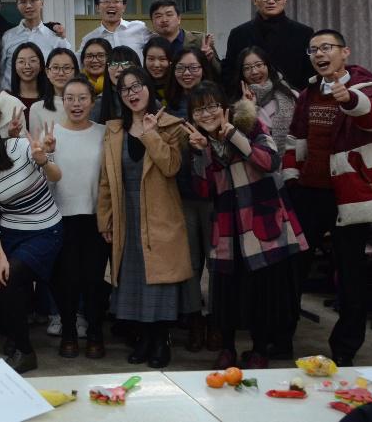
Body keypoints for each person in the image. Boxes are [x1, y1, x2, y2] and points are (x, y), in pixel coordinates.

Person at [284, 29, 372, 366]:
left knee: (350, 275)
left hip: (348, 195)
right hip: (308, 193)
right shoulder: (308, 93)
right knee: (292, 269)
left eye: (326, 47)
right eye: (313, 50)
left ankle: (345, 348)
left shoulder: (366, 86)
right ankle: (281, 337)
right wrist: (291, 178)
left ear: (344, 52)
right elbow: (294, 137)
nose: (319, 54)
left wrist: (349, 99)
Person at [184, 82, 306, 370]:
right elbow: (204, 190)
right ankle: (227, 348)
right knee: (226, 290)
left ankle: (260, 349)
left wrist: (233, 135)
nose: (206, 114)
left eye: (211, 106)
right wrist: (201, 153)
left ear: (224, 107)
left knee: (262, 291)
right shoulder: (200, 142)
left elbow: (270, 161)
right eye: (199, 110)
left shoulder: (249, 124)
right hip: (228, 224)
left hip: (261, 219)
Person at [96, 67, 190, 370]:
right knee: (133, 278)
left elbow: (171, 166)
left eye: (137, 86)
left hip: (161, 214)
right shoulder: (114, 130)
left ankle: (161, 340)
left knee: (158, 280)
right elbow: (107, 179)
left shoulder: (170, 125)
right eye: (125, 89)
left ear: (149, 87)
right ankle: (143, 339)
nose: (132, 93)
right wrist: (105, 218)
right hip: (128, 213)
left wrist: (151, 135)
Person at [0, 103, 62, 374]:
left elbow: (56, 176)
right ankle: (16, 340)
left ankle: (25, 353)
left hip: (45, 230)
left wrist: (43, 160)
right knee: (3, 278)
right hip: (11, 234)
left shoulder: (20, 146)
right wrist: (0, 256)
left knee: (10, 277)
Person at [47, 78, 108, 359]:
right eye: (70, 98)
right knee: (66, 280)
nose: (76, 104)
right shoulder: (52, 134)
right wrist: (46, 153)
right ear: (62, 102)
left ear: (92, 102)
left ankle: (95, 333)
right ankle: (69, 332)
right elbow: (45, 179)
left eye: (82, 98)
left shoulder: (103, 133)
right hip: (62, 218)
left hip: (95, 218)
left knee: (94, 280)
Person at [164, 47, 216, 351]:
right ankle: (194, 318)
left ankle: (217, 320)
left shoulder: (216, 102)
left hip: (214, 196)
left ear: (203, 69)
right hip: (181, 195)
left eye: (193, 67)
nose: (187, 73)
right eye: (181, 68)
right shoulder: (167, 108)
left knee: (217, 260)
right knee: (191, 262)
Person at [221, 0, 315, 88]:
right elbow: (230, 73)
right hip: (250, 96)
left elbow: (310, 73)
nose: (271, 1)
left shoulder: (304, 33)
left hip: (294, 95)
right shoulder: (238, 34)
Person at [236, 46, 299, 171]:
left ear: (268, 66)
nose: (254, 72)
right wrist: (248, 108)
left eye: (259, 65)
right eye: (247, 68)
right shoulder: (237, 108)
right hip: (262, 172)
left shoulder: (292, 96)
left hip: (294, 168)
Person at [1, 0, 70, 63]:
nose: (28, 6)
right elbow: (1, 68)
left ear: (42, 3)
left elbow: (67, 64)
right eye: (23, 2)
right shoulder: (7, 37)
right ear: (17, 5)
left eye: (33, 0)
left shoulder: (56, 37)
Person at [79, 0, 153, 54]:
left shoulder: (140, 29)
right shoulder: (89, 39)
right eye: (106, 1)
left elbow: (158, 45)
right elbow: (78, 60)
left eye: (116, 1)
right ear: (97, 7)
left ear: (124, 7)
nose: (111, 5)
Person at [28, 49, 78, 138]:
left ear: (75, 72)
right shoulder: (37, 108)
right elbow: (36, 144)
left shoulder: (84, 104)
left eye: (67, 68)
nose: (61, 73)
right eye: (55, 68)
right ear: (47, 72)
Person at [148, 0, 215, 61]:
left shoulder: (200, 40)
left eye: (169, 15)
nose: (164, 20)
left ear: (179, 19)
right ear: (152, 21)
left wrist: (208, 60)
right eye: (158, 16)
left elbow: (218, 68)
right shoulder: (149, 43)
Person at [94, 47, 141, 124]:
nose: (120, 69)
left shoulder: (150, 102)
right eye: (114, 64)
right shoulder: (97, 105)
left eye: (126, 64)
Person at [4, 42, 49, 111]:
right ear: (14, 66)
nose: (27, 66)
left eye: (32, 60)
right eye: (21, 61)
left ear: (41, 66)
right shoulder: (7, 99)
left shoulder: (50, 99)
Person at [142, 37, 175, 103]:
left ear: (170, 60)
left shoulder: (179, 85)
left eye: (162, 59)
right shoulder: (140, 87)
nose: (156, 65)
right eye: (151, 59)